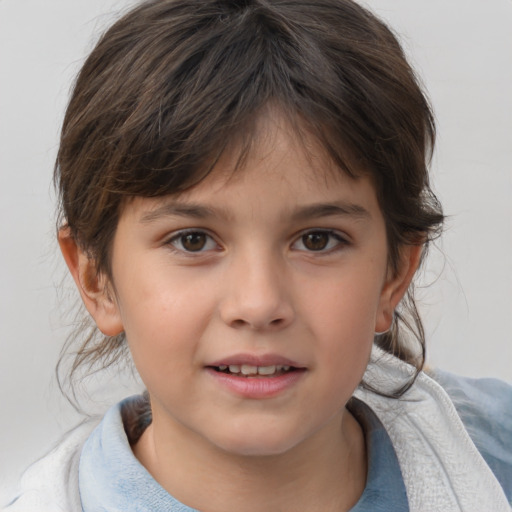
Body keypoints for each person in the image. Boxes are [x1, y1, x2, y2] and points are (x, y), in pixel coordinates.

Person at [3, 0, 511, 510]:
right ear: (96, 278)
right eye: (193, 240)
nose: (259, 303)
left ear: (394, 272)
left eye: (317, 240)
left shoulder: (495, 454)